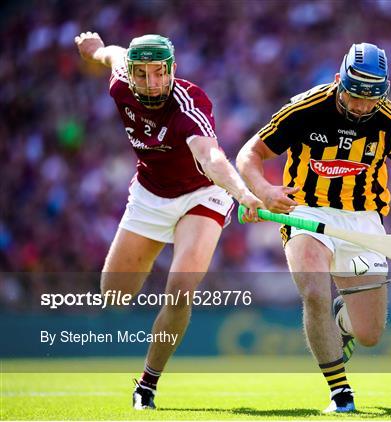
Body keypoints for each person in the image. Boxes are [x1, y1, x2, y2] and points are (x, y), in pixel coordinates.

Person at [237, 43, 391, 413]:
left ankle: (342, 319)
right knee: (314, 291)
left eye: (370, 99)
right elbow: (249, 154)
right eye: (353, 96)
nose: (360, 106)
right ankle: (341, 393)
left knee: (369, 334)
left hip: (364, 220)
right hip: (304, 210)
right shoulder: (307, 107)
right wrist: (263, 190)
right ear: (340, 80)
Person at [74, 32, 262, 410]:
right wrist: (94, 49)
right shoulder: (120, 84)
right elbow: (113, 55)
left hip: (202, 192)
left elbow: (210, 158)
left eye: (159, 72)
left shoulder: (189, 103)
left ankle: (147, 385)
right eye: (142, 74)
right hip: (150, 193)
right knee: (114, 294)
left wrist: (242, 194)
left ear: (172, 69)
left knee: (180, 287)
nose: (152, 82)